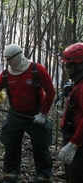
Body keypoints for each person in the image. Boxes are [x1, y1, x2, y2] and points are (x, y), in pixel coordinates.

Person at [0, 44, 55, 183]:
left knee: (40, 148)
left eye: (9, 59)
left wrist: (43, 114)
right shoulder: (6, 74)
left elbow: (51, 92)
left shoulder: (36, 69)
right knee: (11, 146)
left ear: (18, 56)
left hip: (35, 114)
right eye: (6, 59)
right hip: (15, 113)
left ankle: (44, 177)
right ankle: (10, 176)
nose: (7, 62)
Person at [58, 42, 83, 183]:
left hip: (78, 140)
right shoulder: (78, 84)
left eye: (69, 65)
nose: (66, 69)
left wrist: (74, 143)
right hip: (74, 136)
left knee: (76, 176)